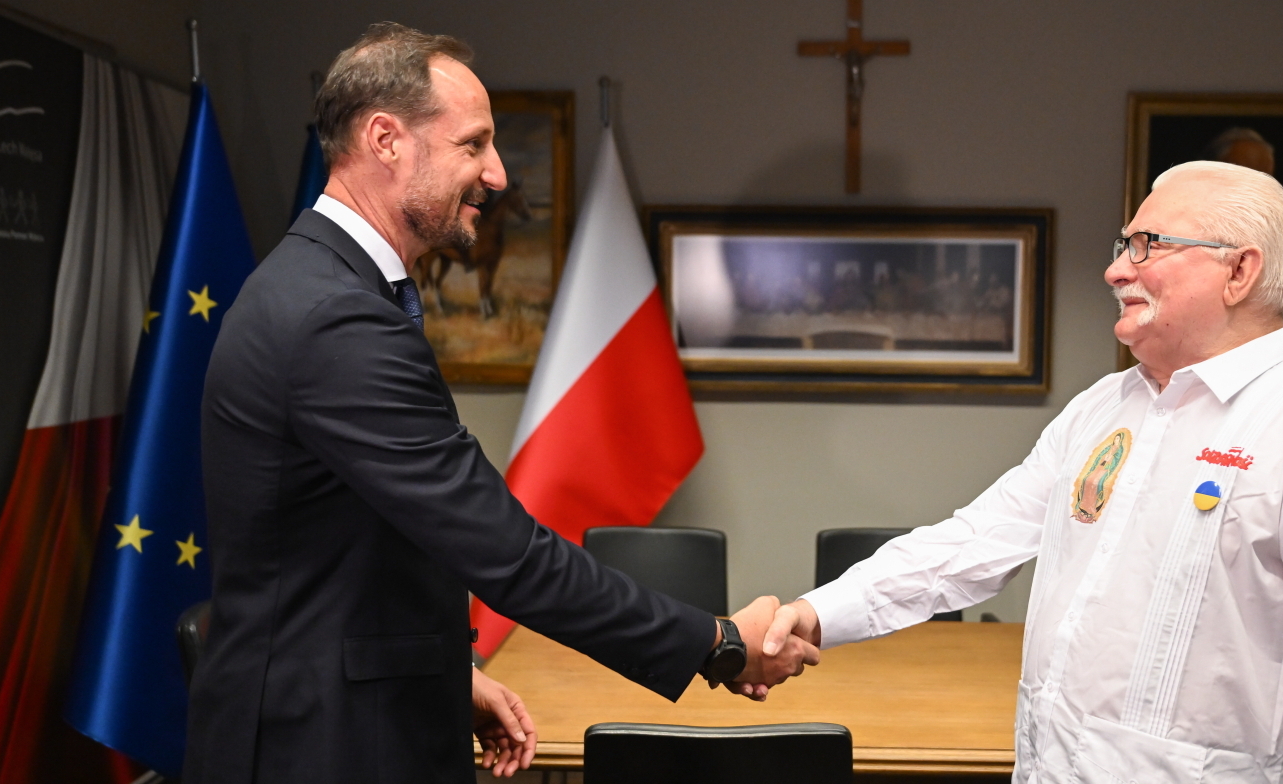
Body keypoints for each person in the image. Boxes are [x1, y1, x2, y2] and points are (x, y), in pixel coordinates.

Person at [186, 23, 817, 784]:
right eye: (473, 145)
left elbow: (373, 541)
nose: (497, 174)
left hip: (358, 717)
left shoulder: (332, 289)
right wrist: (719, 644)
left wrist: (446, 672)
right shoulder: (333, 317)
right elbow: (507, 552)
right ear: (385, 140)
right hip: (321, 747)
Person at [764, 160, 1283, 784]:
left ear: (1239, 271)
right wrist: (810, 615)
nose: (1116, 271)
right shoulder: (1103, 408)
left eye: (1147, 245)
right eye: (1123, 246)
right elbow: (974, 542)